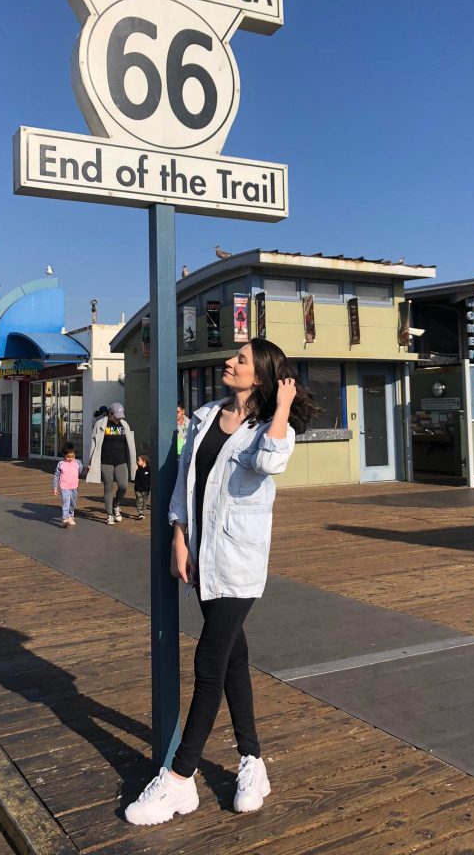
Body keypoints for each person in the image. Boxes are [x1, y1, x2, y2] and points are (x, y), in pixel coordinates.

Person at [124, 339, 318, 826]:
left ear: (262, 375)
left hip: (238, 562)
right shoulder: (208, 415)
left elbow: (270, 462)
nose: (229, 363)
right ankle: (253, 761)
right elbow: (186, 478)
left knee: (208, 663)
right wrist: (178, 536)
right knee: (233, 660)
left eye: (242, 360)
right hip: (201, 554)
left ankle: (179, 780)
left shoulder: (274, 427)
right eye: (233, 357)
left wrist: (284, 405)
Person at [86, 402, 136, 524]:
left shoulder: (124, 424)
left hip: (121, 460)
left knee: (124, 486)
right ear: (110, 413)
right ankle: (109, 514)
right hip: (106, 461)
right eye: (117, 416)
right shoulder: (100, 424)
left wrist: (133, 461)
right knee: (108, 486)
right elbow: (94, 443)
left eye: (121, 416)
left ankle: (116, 505)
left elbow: (129, 443)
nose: (119, 418)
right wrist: (90, 461)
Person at [52, 442, 84, 528]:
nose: (70, 458)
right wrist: (55, 487)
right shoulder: (61, 464)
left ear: (75, 455)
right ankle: (65, 518)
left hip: (74, 486)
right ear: (64, 455)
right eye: (68, 457)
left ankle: (70, 516)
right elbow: (56, 475)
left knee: (73, 503)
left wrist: (88, 471)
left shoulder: (78, 463)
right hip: (64, 487)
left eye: (72, 456)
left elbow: (81, 472)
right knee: (66, 502)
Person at [133, 454, 151, 520]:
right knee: (139, 501)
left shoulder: (149, 469)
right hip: (138, 489)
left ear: (144, 461)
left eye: (139, 460)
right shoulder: (138, 470)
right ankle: (140, 513)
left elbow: (150, 479)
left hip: (146, 489)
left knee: (145, 502)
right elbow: (136, 479)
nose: (137, 461)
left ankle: (142, 510)